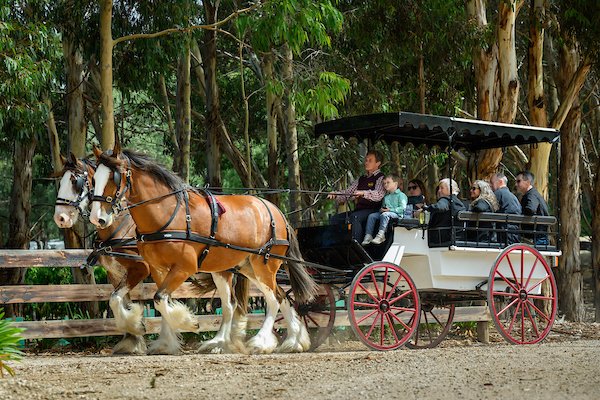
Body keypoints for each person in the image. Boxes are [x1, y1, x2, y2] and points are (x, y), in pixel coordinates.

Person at [328, 150, 387, 241]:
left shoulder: (381, 177)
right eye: (366, 160)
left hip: (374, 210)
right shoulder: (361, 178)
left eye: (370, 160)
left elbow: (379, 195)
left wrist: (363, 193)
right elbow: (349, 193)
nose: (366, 163)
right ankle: (336, 245)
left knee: (354, 218)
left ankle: (356, 245)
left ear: (378, 163)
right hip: (359, 210)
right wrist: (336, 194)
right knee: (335, 219)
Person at [362, 174, 408, 245]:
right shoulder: (386, 196)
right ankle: (368, 235)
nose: (385, 185)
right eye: (384, 183)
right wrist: (382, 210)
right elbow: (382, 207)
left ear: (396, 183)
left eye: (388, 182)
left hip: (397, 215)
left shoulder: (401, 195)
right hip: (386, 213)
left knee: (385, 215)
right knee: (372, 216)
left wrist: (390, 210)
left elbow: (402, 209)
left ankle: (381, 235)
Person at [424, 178, 466, 245]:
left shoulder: (446, 199)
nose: (439, 191)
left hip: (440, 240)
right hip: (458, 239)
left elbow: (439, 207)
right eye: (439, 188)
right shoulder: (460, 203)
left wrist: (426, 209)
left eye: (442, 188)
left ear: (451, 189)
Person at [515, 170, 550, 245]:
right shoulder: (532, 194)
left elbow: (530, 210)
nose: (516, 184)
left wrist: (518, 214)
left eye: (518, 181)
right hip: (538, 237)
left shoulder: (531, 195)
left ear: (528, 182)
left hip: (536, 238)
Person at [490, 172, 522, 245]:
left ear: (500, 181)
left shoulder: (497, 194)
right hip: (515, 233)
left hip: (503, 234)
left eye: (492, 183)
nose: (490, 185)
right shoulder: (514, 197)